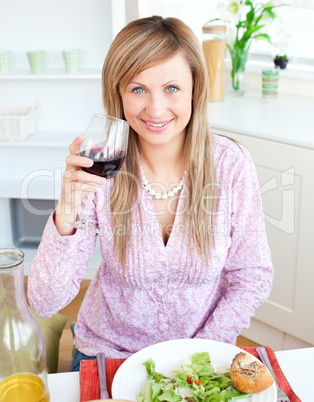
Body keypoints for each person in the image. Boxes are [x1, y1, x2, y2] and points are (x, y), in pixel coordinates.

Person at [28, 16, 273, 371]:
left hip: (202, 356)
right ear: (119, 93)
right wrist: (67, 208)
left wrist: (201, 353)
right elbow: (45, 301)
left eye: (172, 88)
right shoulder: (99, 167)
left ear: (195, 88)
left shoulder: (230, 165)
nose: (156, 109)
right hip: (108, 354)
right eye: (138, 89)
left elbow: (252, 276)